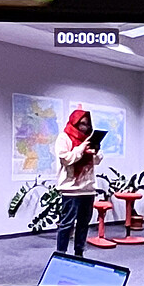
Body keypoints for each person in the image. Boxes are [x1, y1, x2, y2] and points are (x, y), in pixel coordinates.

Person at [54, 109, 99, 259]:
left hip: (88, 189)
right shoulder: (64, 137)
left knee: (84, 223)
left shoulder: (88, 138)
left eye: (87, 124)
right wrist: (81, 148)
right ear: (75, 122)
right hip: (71, 189)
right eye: (82, 124)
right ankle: (61, 255)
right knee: (67, 223)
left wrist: (95, 151)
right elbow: (66, 159)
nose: (85, 127)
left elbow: (97, 161)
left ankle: (79, 254)